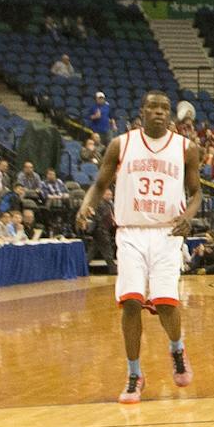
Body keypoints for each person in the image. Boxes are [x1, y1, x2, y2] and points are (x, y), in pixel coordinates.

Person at [75, 91, 204, 404]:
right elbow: (100, 184)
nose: (159, 112)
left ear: (170, 114)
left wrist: (188, 217)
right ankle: (134, 374)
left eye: (164, 107)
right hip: (130, 231)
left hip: (166, 233)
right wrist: (85, 205)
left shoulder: (186, 148)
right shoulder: (122, 144)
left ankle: (177, 348)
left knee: (165, 303)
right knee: (130, 302)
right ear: (142, 111)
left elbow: (197, 193)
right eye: (153, 107)